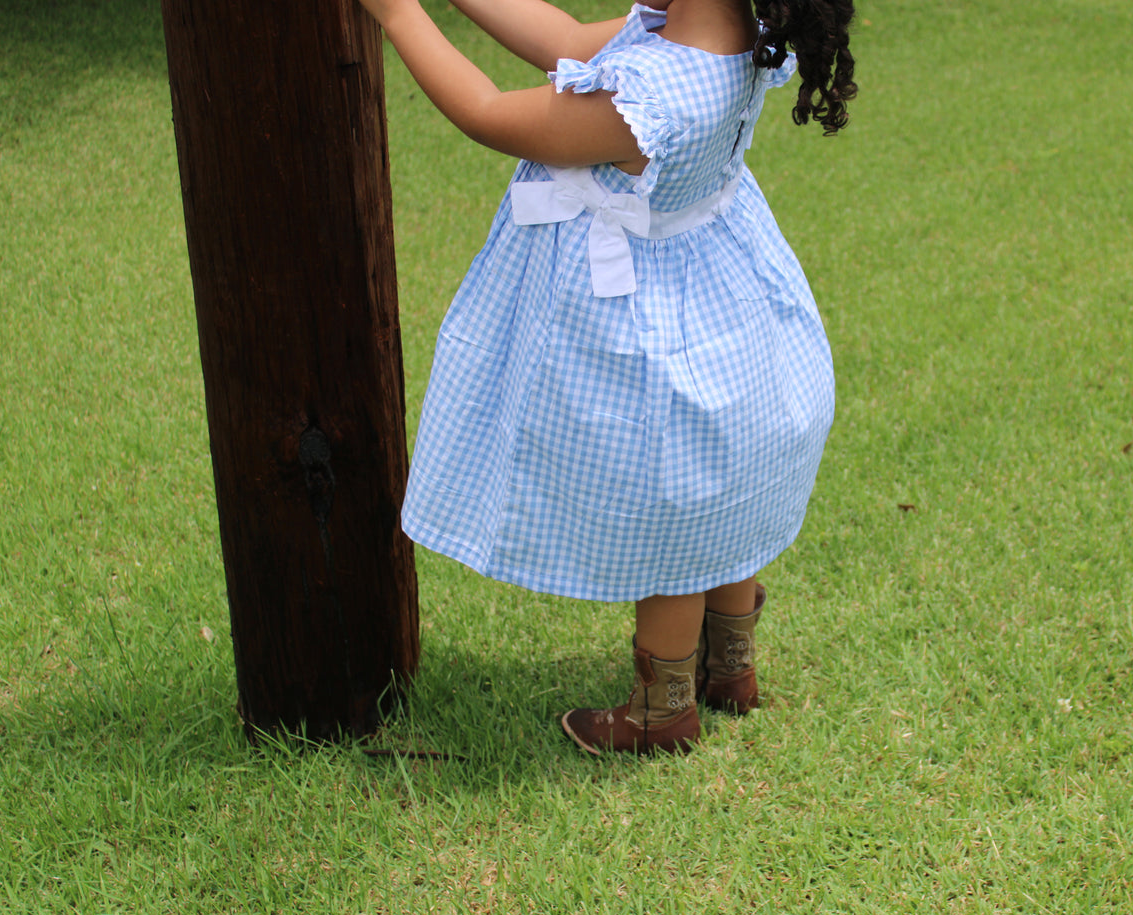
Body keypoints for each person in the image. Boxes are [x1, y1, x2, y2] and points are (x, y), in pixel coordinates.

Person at [356, 0, 857, 755]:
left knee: (675, 506)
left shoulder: (652, 96)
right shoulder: (720, 31)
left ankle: (662, 711)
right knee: (719, 485)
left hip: (648, 315)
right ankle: (728, 665)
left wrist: (398, 16)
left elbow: (489, 112)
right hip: (719, 297)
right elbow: (560, 38)